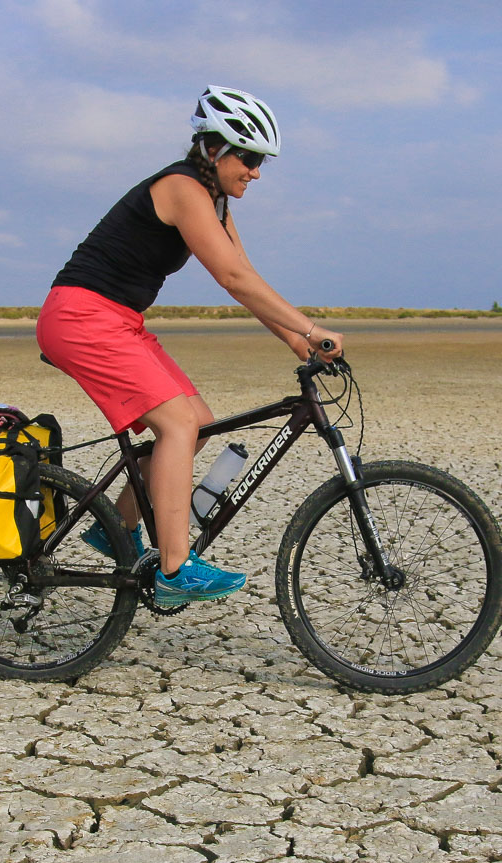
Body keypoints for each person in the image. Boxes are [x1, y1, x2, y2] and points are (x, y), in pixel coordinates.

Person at [37, 85, 343, 608]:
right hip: (81, 317)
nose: (256, 171)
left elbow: (245, 275)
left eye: (260, 160)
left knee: (198, 421)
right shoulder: (182, 187)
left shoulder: (215, 200)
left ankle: (117, 526)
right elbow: (229, 277)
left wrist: (297, 341)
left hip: (117, 319)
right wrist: (313, 329)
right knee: (177, 423)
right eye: (248, 158)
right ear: (213, 151)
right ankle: (175, 569)